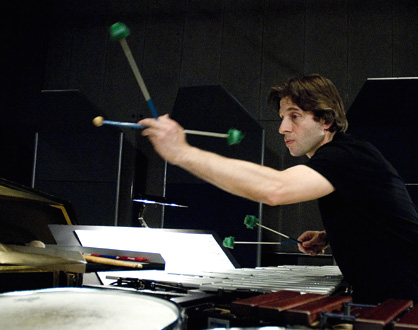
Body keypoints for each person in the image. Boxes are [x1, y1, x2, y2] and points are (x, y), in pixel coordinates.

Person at [139, 74, 418, 304]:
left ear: (325, 121)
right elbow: (382, 215)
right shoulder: (349, 155)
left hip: (405, 301)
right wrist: (329, 235)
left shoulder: (345, 155)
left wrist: (181, 153)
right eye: (282, 117)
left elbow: (275, 189)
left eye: (294, 117)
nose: (282, 128)